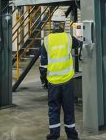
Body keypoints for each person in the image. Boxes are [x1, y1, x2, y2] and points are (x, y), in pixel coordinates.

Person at [39, 9, 82, 140]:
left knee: (53, 109)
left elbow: (43, 66)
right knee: (69, 109)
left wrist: (44, 81)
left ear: (53, 24)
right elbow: (79, 43)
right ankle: (72, 136)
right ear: (63, 24)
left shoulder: (46, 41)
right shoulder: (68, 38)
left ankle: (54, 135)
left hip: (53, 83)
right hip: (67, 82)